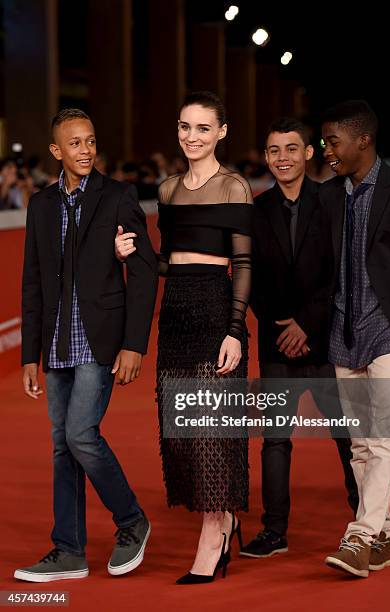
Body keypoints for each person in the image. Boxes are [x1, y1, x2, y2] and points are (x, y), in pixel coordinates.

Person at [115, 90, 253, 584]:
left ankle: (213, 535)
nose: (190, 136)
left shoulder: (235, 187)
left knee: (212, 431)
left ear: (221, 132)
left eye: (201, 128)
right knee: (183, 434)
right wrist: (131, 254)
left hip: (217, 309)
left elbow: (242, 263)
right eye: (183, 127)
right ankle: (225, 520)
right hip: (175, 314)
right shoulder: (169, 190)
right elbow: (169, 260)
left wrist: (236, 330)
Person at [16, 108, 158, 582]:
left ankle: (132, 520)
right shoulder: (41, 206)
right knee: (63, 445)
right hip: (56, 345)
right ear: (57, 151)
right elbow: (33, 283)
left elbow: (142, 273)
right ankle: (69, 550)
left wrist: (134, 343)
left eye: (91, 140)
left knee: (80, 435)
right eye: (75, 143)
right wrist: (29, 356)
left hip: (99, 342)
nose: (86, 149)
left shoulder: (117, 197)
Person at [241, 118, 358, 559]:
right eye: (274, 151)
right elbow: (249, 278)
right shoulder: (257, 209)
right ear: (266, 157)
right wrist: (282, 325)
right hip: (276, 343)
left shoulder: (334, 202)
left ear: (309, 153)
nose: (283, 158)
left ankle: (367, 522)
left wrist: (307, 324)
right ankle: (274, 531)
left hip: (328, 340)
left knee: (348, 436)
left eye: (291, 149)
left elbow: (342, 272)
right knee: (274, 440)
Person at [320, 100, 390, 577]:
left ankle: (359, 538)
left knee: (384, 440)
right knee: (360, 444)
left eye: (333, 141)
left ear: (363, 140)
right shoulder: (329, 195)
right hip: (343, 330)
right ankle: (387, 535)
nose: (327, 150)